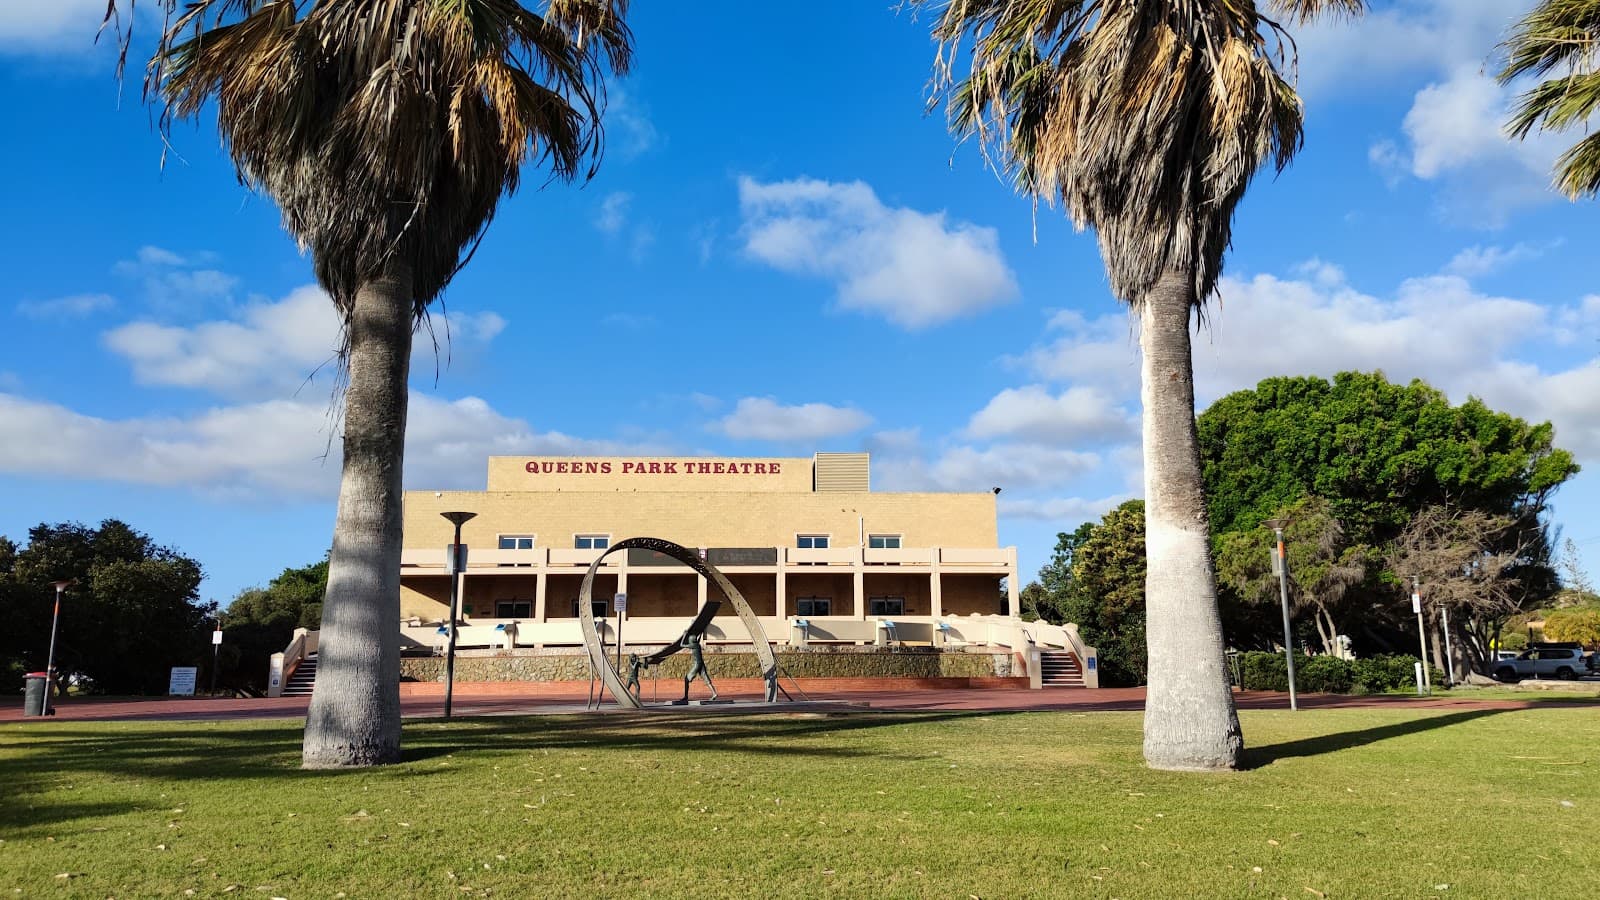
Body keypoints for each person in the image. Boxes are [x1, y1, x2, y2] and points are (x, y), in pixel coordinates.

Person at [681, 631, 718, 701]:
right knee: (706, 679)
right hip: (701, 664)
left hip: (697, 664)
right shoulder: (697, 645)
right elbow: (697, 640)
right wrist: (700, 633)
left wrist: (684, 635)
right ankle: (714, 693)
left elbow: (681, 645)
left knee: (686, 679)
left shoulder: (692, 645)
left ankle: (686, 696)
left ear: (691, 640)